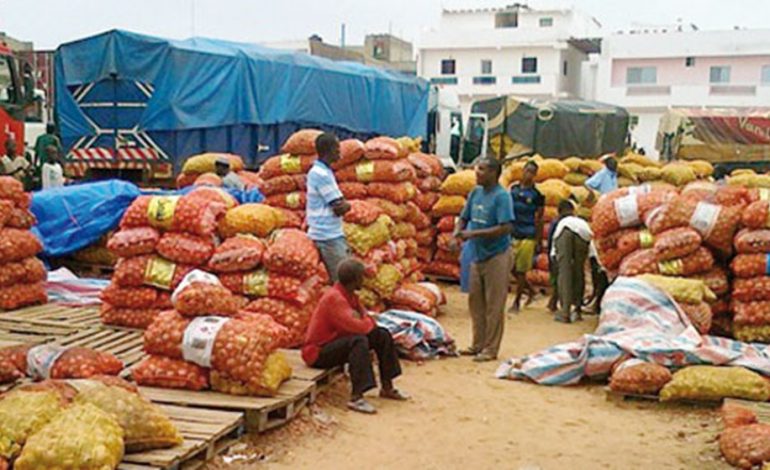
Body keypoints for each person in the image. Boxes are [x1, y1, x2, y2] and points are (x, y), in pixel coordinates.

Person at [302, 258, 407, 414]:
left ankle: (387, 386)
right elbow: (359, 326)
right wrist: (365, 320)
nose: (364, 281)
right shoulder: (335, 298)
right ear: (355, 280)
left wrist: (365, 320)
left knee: (382, 335)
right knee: (359, 341)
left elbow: (366, 319)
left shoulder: (350, 295)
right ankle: (356, 397)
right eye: (362, 277)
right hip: (317, 352)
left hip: (335, 342)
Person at [454, 158, 514, 362]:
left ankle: (490, 348)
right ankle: (477, 343)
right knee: (475, 302)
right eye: (477, 168)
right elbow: (464, 216)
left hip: (497, 255)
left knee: (494, 304)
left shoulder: (502, 197)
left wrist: (473, 234)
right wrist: (459, 230)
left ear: (494, 173)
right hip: (477, 254)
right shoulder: (475, 193)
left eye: (482, 169)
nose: (477, 173)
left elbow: (505, 227)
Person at [306, 132, 351, 283]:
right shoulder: (321, 174)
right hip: (327, 236)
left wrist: (344, 203)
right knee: (343, 281)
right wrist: (348, 205)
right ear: (328, 150)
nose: (340, 153)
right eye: (337, 149)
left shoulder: (324, 171)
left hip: (329, 233)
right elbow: (339, 207)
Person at [508, 160, 545, 313]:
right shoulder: (513, 190)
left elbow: (540, 218)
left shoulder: (537, 195)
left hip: (528, 234)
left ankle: (516, 302)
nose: (528, 174)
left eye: (531, 172)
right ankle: (531, 291)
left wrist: (538, 240)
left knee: (522, 270)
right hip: (512, 232)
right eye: (526, 170)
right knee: (510, 267)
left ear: (535, 175)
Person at [551, 200, 593, 323]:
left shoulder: (560, 223)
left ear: (559, 212)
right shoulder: (582, 222)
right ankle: (578, 311)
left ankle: (565, 312)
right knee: (579, 272)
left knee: (565, 272)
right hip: (584, 235)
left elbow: (553, 254)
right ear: (573, 211)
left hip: (564, 233)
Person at [545, 199, 574, 312]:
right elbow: (551, 239)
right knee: (559, 279)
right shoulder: (558, 223)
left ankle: (554, 302)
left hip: (558, 253)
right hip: (556, 253)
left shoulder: (562, 222)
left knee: (559, 279)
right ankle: (555, 302)